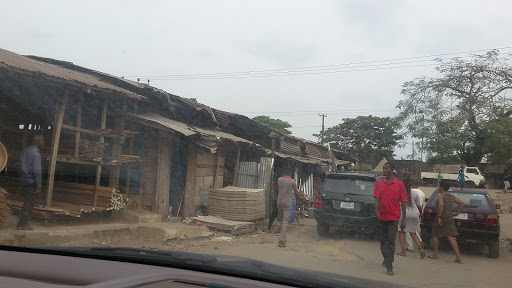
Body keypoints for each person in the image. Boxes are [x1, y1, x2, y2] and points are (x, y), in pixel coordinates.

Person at [373, 162, 408, 276]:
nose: (384, 170)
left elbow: (403, 202)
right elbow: (377, 198)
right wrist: (376, 210)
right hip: (382, 216)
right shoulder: (379, 183)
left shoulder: (399, 184)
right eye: (383, 168)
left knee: (391, 241)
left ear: (393, 169)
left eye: (387, 168)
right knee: (383, 241)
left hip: (393, 217)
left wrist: (404, 219)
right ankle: (386, 258)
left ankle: (389, 266)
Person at [428, 180, 464, 264]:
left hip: (441, 217)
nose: (437, 187)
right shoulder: (451, 196)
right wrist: (457, 212)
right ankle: (458, 257)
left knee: (435, 234)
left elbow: (441, 205)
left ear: (442, 188)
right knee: (450, 236)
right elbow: (461, 203)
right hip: (449, 217)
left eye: (438, 186)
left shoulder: (441, 196)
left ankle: (435, 254)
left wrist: (439, 216)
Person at [17, 134, 44, 230]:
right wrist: (39, 186)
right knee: (29, 204)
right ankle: (22, 224)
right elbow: (36, 171)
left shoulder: (24, 151)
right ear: (38, 142)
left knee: (26, 202)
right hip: (31, 181)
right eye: (42, 141)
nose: (43, 142)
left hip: (24, 180)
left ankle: (22, 223)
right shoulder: (36, 153)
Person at [397, 177, 425, 259]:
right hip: (414, 214)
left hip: (404, 214)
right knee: (413, 232)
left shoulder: (400, 192)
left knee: (401, 232)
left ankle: (403, 251)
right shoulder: (414, 193)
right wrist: (421, 214)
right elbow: (419, 206)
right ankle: (421, 249)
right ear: (411, 185)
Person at [276, 174, 302, 248]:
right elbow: (296, 192)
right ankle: (281, 241)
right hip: (287, 203)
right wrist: (299, 194)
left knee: (281, 219)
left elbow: (278, 189)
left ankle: (282, 237)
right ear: (290, 175)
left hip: (279, 202)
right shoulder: (292, 182)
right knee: (285, 221)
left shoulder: (279, 180)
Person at [406, 179, 425, 252]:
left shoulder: (410, 192)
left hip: (409, 212)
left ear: (412, 185)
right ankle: (419, 241)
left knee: (408, 230)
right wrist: (421, 213)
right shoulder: (422, 193)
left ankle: (410, 246)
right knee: (414, 228)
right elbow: (422, 205)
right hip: (417, 212)